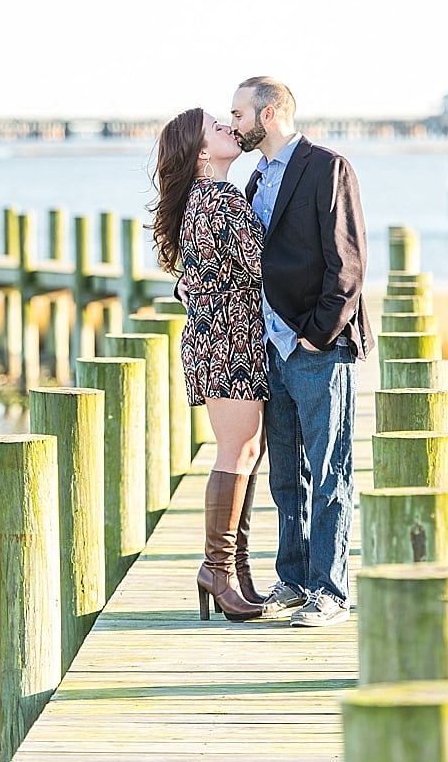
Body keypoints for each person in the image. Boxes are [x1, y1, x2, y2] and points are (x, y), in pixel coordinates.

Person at [230, 76, 372, 628]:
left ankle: (330, 591)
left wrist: (318, 333)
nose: (233, 122)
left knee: (331, 468)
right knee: (286, 473)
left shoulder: (326, 167)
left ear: (267, 114)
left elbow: (349, 261)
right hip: (269, 348)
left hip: (317, 348)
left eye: (238, 113)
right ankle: (291, 580)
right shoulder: (255, 175)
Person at [149, 108, 268, 622]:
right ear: (200, 152)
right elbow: (263, 266)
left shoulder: (206, 200)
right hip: (228, 343)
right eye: (216, 127)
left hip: (223, 338)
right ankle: (217, 572)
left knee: (246, 452)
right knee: (236, 453)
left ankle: (236, 571)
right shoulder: (218, 200)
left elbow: (199, 278)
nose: (228, 127)